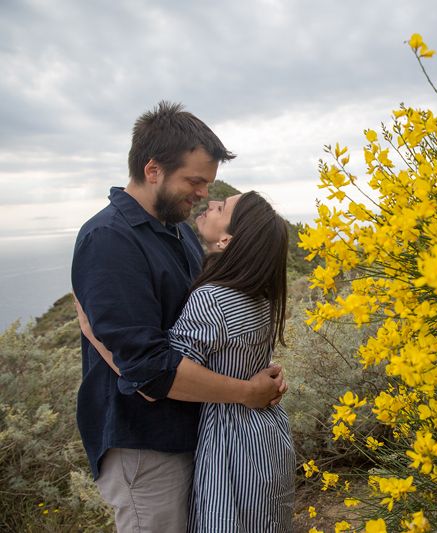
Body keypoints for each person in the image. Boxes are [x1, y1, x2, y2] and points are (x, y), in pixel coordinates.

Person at [71, 101, 286, 533]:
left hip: (198, 432)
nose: (203, 193)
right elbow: (148, 372)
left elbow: (207, 328)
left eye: (206, 183)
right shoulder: (110, 238)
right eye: (194, 181)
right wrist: (246, 392)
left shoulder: (177, 231)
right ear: (153, 170)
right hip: (146, 445)